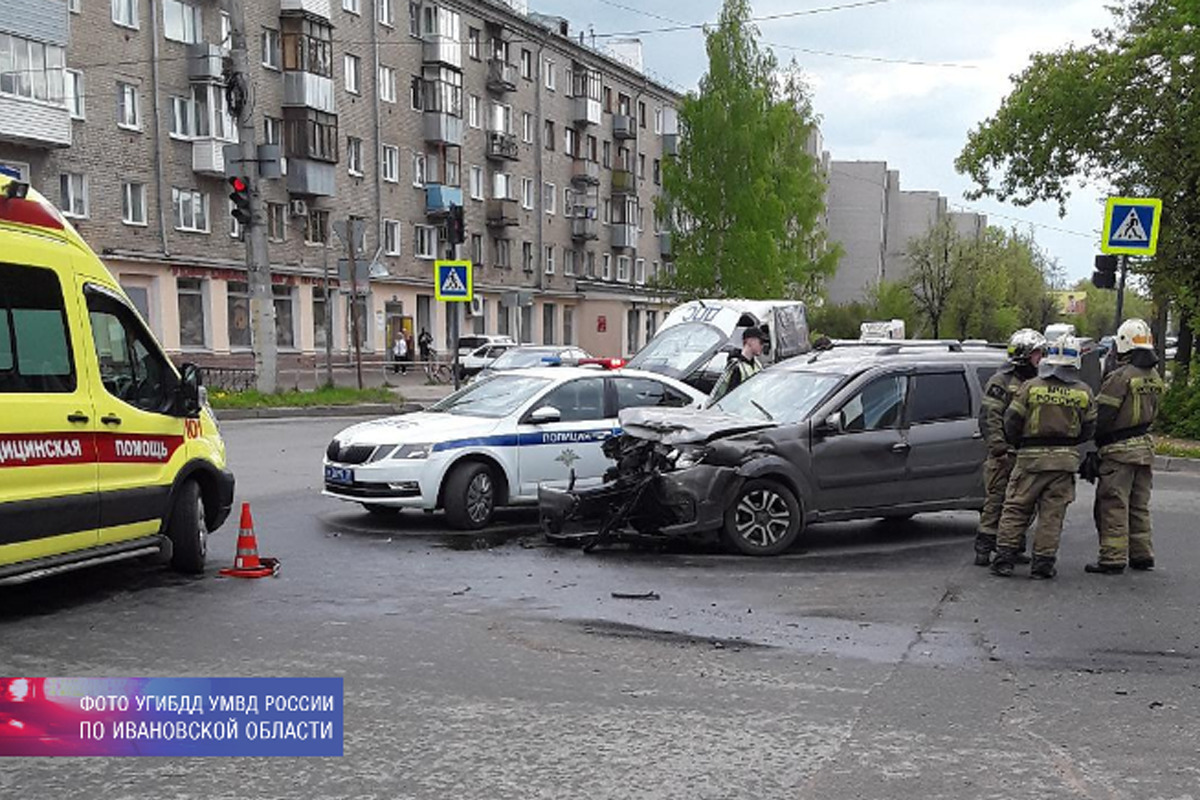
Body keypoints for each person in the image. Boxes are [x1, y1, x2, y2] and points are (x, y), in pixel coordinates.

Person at [991, 335, 1096, 579]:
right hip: (1064, 462)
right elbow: (1089, 429)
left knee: (1016, 507)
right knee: (1052, 513)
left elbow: (1011, 421)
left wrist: (1018, 443)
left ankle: (1004, 558)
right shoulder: (1084, 392)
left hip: (1030, 459)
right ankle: (1043, 563)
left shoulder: (1031, 386)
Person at [1084, 318, 1165, 574]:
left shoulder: (1120, 377)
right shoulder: (1154, 376)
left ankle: (1112, 557)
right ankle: (1142, 555)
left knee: (1113, 504)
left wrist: (1092, 443)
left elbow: (1103, 416)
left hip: (1119, 451)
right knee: (1139, 504)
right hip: (1144, 449)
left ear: (1123, 344)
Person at [974, 328, 1045, 566]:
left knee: (1023, 504)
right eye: (1037, 353)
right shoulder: (1001, 381)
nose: (1041, 358)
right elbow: (989, 417)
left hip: (1027, 454)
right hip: (1004, 455)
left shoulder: (1038, 383)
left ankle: (1012, 547)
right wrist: (999, 448)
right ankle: (984, 549)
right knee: (996, 502)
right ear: (1024, 355)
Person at [708, 325, 766, 404]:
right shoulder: (736, 367)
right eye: (761, 342)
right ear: (750, 341)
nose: (762, 346)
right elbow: (730, 399)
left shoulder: (757, 364)